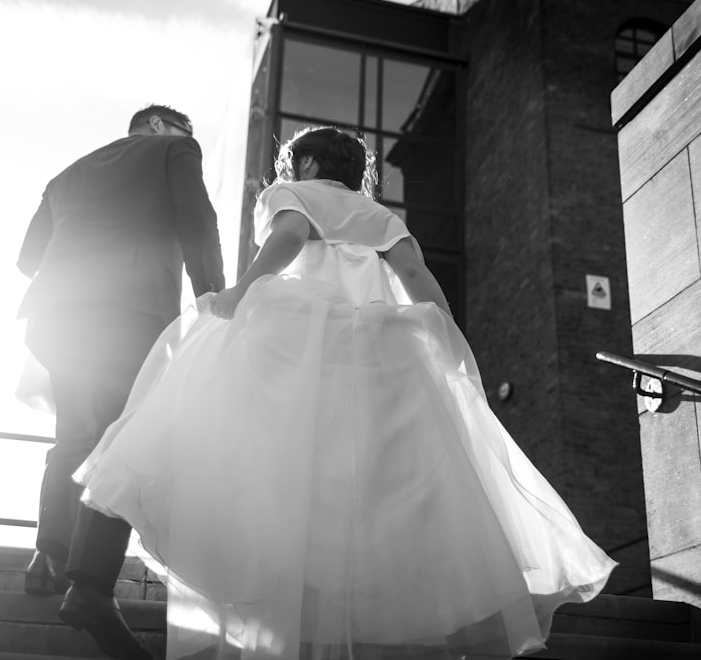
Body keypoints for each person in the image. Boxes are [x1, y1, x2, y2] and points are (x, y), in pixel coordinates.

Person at [74, 126, 616, 660]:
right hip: (377, 349)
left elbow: (287, 239)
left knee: (285, 467)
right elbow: (416, 275)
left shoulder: (290, 195)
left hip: (303, 345)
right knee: (370, 485)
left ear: (306, 165)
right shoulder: (381, 216)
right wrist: (451, 341)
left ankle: (296, 598)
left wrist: (241, 292)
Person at [15, 104, 224, 660]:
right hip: (128, 313)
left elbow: (25, 259)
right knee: (123, 439)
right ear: (157, 126)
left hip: (57, 318)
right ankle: (90, 586)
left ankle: (47, 555)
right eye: (184, 128)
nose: (188, 138)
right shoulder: (174, 151)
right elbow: (197, 218)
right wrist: (213, 295)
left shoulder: (69, 172)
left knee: (74, 435)